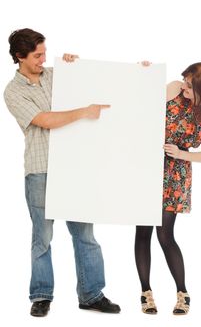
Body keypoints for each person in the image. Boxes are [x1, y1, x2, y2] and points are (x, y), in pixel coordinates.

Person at [4, 28, 120, 317]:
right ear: (20, 56)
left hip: (74, 168)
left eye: (45, 52)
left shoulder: (57, 75)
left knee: (85, 234)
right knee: (42, 238)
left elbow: (88, 84)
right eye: (37, 55)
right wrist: (83, 111)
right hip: (40, 170)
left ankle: (92, 294)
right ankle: (42, 295)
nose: (44, 59)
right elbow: (44, 120)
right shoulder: (12, 91)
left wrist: (75, 68)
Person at [135, 61, 201, 315]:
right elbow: (143, 105)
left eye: (190, 86)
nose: (184, 87)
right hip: (147, 167)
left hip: (174, 175)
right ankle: (145, 292)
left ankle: (182, 292)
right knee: (142, 232)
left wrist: (181, 154)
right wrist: (145, 75)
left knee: (165, 235)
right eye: (185, 82)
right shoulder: (173, 88)